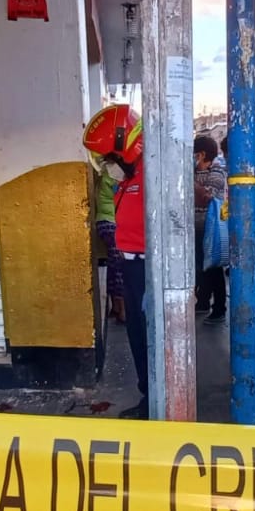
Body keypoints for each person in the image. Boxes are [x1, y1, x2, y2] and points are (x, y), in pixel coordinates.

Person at [82, 105, 148, 419]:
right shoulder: (129, 179)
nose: (106, 166)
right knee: (136, 335)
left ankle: (154, 403)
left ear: (123, 150)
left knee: (148, 337)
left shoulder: (153, 176)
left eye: (108, 159)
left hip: (150, 270)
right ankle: (148, 396)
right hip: (132, 266)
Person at [193, 135, 227, 324]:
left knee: (214, 268)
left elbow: (207, 197)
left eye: (195, 154)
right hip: (196, 227)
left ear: (203, 154)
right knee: (201, 267)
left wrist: (191, 182)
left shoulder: (217, 172)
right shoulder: (195, 172)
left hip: (212, 229)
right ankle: (203, 301)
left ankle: (219, 308)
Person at [94, 166, 125, 322]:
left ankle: (116, 307)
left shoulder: (104, 170)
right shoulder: (115, 173)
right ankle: (123, 309)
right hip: (112, 222)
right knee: (119, 265)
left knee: (113, 264)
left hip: (103, 222)